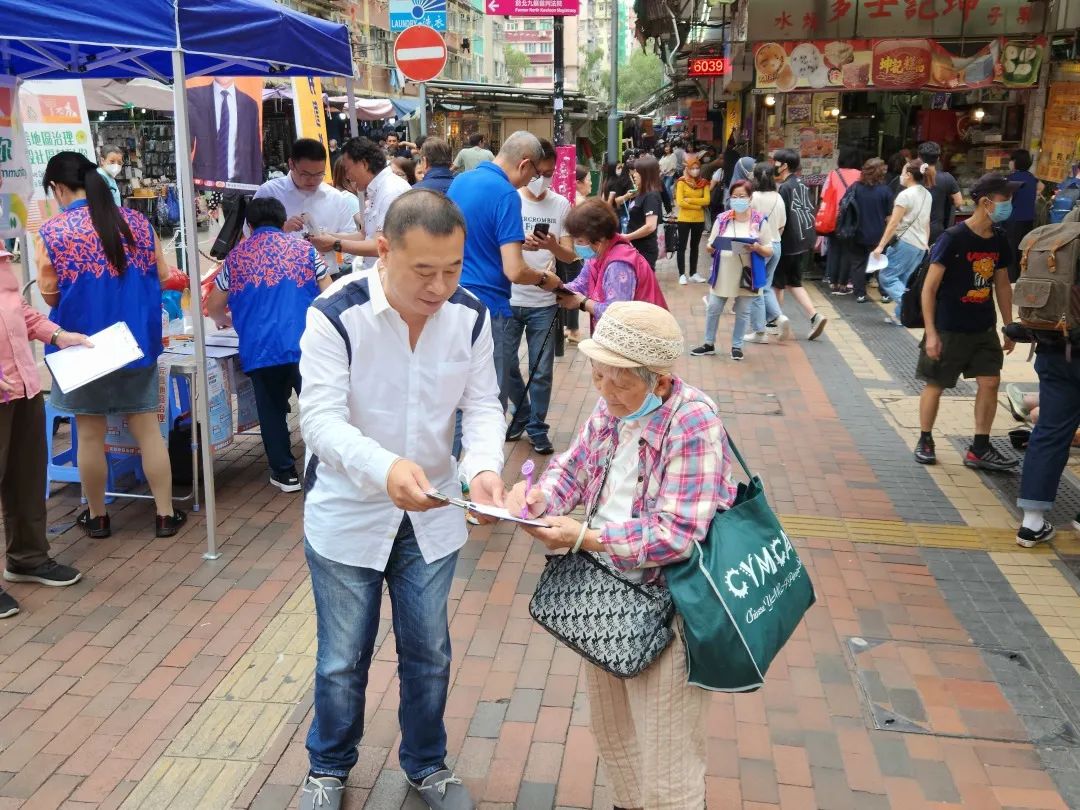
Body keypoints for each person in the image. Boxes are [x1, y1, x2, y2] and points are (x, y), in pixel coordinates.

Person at [296, 190, 506, 810]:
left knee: (430, 652)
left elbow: (483, 406)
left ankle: (426, 763)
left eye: (453, 268)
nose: (440, 287)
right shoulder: (336, 313)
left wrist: (485, 469)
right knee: (341, 658)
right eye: (423, 271)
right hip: (348, 515)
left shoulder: (471, 315)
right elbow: (321, 421)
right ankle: (327, 768)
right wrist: (383, 466)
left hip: (434, 517)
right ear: (384, 251)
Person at [505, 301, 737, 810]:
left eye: (619, 383)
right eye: (598, 377)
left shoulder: (693, 421)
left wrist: (585, 538)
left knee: (668, 756)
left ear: (657, 381)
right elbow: (575, 466)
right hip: (608, 596)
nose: (605, 393)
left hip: (668, 606)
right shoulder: (613, 406)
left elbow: (677, 534)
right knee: (614, 732)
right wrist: (541, 498)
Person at [36, 152, 186, 539]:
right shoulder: (136, 221)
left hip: (82, 350)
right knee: (147, 431)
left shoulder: (53, 232)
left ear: (57, 187)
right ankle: (165, 515)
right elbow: (165, 275)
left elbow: (51, 298)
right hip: (134, 345)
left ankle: (99, 517)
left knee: (88, 435)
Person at [207, 198, 332, 492]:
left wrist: (227, 320)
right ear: (281, 221)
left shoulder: (235, 258)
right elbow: (330, 293)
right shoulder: (306, 250)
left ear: (249, 225)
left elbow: (213, 305)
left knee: (272, 412)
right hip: (307, 345)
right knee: (320, 407)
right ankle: (329, 467)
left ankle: (284, 472)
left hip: (260, 348)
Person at [447, 131, 563, 411]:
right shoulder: (507, 195)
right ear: (524, 165)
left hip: (452, 301)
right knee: (487, 401)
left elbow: (474, 236)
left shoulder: (460, 182)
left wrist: (518, 239)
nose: (532, 181)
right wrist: (545, 279)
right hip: (488, 307)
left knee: (456, 398)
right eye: (535, 174)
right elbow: (515, 271)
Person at [0, 246, 87, 618]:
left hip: (23, 385)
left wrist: (57, 334)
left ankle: (28, 557)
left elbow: (18, 310)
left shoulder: (3, 256)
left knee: (26, 478)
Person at [915, 173, 1020, 471]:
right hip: (949, 328)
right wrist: (932, 333)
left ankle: (980, 448)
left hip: (983, 327)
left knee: (991, 381)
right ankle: (925, 439)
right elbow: (930, 288)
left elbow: (1001, 284)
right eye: (1004, 199)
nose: (1009, 204)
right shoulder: (953, 238)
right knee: (936, 383)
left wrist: (1008, 325)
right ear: (986, 202)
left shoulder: (999, 239)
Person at [504, 139, 577, 455]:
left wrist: (550, 246)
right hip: (507, 297)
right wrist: (520, 246)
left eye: (549, 173)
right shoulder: (508, 198)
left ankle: (536, 427)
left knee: (542, 369)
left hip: (544, 301)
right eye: (540, 171)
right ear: (527, 165)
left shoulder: (561, 205)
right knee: (504, 363)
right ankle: (521, 412)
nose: (542, 178)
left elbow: (571, 255)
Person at [691, 180, 774, 361]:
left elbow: (769, 249)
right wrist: (712, 248)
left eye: (742, 196)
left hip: (747, 273)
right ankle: (708, 343)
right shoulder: (723, 219)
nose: (738, 200)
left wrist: (756, 248)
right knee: (713, 307)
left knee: (743, 311)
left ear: (750, 198)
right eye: (734, 197)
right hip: (724, 271)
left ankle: (737, 346)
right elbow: (710, 245)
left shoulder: (759, 220)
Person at [557, 199, 667, 331]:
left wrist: (582, 302)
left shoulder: (619, 264)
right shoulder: (597, 255)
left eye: (580, 241)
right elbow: (580, 285)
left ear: (600, 237)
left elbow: (617, 313)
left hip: (641, 336)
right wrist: (554, 286)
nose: (576, 246)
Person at [254, 138, 358, 276]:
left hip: (327, 277)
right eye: (306, 174)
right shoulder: (269, 193)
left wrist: (333, 242)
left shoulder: (335, 197)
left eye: (319, 174)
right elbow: (251, 236)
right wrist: (281, 230)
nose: (313, 180)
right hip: (281, 278)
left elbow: (351, 235)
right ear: (291, 164)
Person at [309, 136, 412, 273]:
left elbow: (380, 246)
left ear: (364, 164)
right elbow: (364, 235)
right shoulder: (377, 189)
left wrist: (335, 243)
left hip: (389, 278)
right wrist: (329, 236)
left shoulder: (390, 191)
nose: (347, 176)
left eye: (347, 169)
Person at [773, 148, 827, 340]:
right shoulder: (803, 185)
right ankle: (815, 315)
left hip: (788, 242)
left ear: (784, 165)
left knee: (776, 284)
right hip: (804, 241)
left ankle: (775, 321)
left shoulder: (785, 188)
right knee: (793, 282)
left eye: (776, 162)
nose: (774, 166)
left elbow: (782, 218)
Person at [873, 159, 933, 325]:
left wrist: (880, 246)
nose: (900, 176)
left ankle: (912, 307)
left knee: (887, 277)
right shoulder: (927, 194)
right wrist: (926, 243)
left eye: (903, 172)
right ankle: (901, 316)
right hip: (920, 244)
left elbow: (893, 223)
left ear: (908, 175)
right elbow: (926, 221)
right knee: (905, 280)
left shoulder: (905, 195)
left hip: (905, 243)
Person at [834, 157, 893, 303]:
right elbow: (889, 216)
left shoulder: (855, 187)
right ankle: (885, 293)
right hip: (878, 233)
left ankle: (860, 293)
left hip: (857, 231)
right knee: (881, 265)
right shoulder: (885, 190)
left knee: (858, 263)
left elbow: (843, 205)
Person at [743, 161, 790, 343]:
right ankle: (779, 317)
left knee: (756, 289)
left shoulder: (753, 197)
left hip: (758, 247)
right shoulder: (778, 197)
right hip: (776, 246)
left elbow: (747, 222)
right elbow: (782, 226)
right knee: (766, 286)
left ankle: (759, 331)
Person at [188, 78, 263, 186]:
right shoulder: (192, 96)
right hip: (205, 182)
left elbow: (255, 149)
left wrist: (256, 184)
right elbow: (185, 145)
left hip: (240, 183)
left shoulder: (250, 104)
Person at [821, 146, 862, 291]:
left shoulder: (833, 174)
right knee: (848, 250)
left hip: (835, 216)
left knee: (834, 248)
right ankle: (844, 283)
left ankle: (833, 281)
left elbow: (824, 195)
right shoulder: (860, 175)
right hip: (851, 217)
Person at [623, 155, 664, 270]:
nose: (634, 175)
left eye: (637, 172)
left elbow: (650, 226)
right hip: (635, 247)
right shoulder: (642, 193)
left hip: (644, 250)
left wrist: (627, 237)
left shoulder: (651, 196)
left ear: (646, 174)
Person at [918, 141, 963, 245]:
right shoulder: (947, 178)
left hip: (914, 229)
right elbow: (959, 202)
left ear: (919, 157)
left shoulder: (912, 177)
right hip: (935, 230)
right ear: (938, 158)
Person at [675, 157, 711, 284]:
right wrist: (697, 205)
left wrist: (689, 200)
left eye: (697, 168)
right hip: (684, 219)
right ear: (687, 169)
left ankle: (693, 273)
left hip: (699, 220)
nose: (695, 171)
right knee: (682, 246)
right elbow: (680, 202)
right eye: (692, 168)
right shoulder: (681, 182)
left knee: (695, 246)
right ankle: (681, 274)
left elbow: (707, 200)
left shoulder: (704, 183)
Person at [1005, 148, 1038, 281]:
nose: (1010, 163)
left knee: (1011, 250)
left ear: (1016, 162)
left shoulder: (1012, 179)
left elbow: (1007, 198)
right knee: (1024, 249)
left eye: (1011, 160)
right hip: (1029, 219)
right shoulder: (1032, 178)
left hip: (1014, 220)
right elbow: (1039, 187)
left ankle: (1011, 279)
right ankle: (1022, 277)